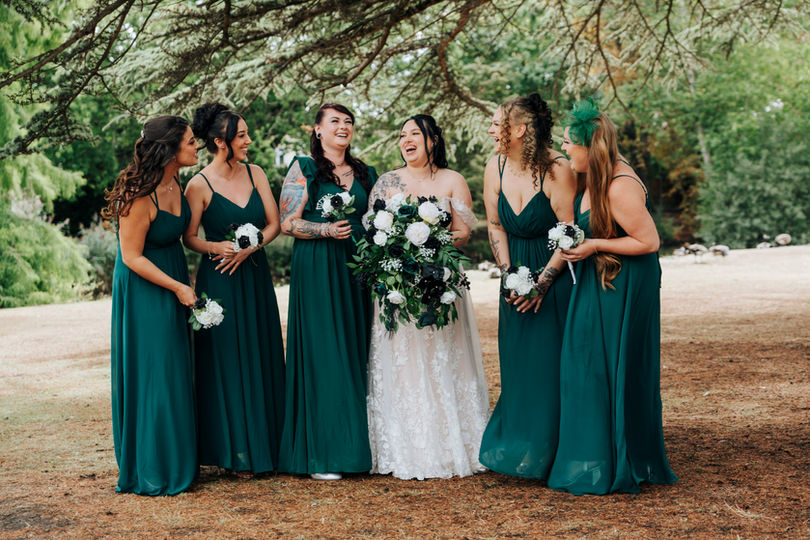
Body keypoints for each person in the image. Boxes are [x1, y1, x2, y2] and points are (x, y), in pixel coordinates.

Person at [548, 97, 677, 494]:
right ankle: (597, 453)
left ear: (591, 146)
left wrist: (593, 245)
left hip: (624, 283)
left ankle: (619, 459)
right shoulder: (594, 177)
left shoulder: (620, 186)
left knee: (613, 365)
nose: (564, 149)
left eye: (569, 142)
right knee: (587, 364)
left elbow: (649, 241)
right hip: (602, 277)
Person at [365, 114, 489, 480]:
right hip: (399, 284)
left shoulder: (453, 180)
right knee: (404, 362)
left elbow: (463, 232)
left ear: (432, 140)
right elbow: (373, 233)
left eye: (414, 134)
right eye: (402, 134)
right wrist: (402, 249)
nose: (406, 140)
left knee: (444, 356)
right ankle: (405, 447)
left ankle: (451, 445)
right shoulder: (387, 181)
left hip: (442, 281)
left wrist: (431, 242)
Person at [183, 103, 285, 477]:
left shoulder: (256, 173)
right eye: (241, 136)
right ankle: (234, 452)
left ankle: (270, 446)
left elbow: (274, 224)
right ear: (220, 142)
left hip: (255, 277)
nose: (248, 141)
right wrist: (217, 247)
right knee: (226, 361)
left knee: (261, 351)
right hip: (219, 281)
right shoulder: (198, 185)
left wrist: (252, 246)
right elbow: (189, 237)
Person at [478, 94, 577, 479]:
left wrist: (542, 284)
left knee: (550, 365)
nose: (491, 129)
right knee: (518, 365)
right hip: (514, 278)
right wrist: (509, 275)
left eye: (497, 123)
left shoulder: (558, 169)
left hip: (554, 277)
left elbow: (569, 232)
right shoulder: (495, 167)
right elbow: (495, 225)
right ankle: (520, 449)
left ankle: (554, 452)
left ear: (519, 130)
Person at [277, 104, 378, 480]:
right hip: (319, 265)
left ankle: (357, 445)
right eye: (334, 121)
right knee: (325, 351)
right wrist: (324, 230)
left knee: (355, 348)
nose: (343, 127)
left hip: (358, 266)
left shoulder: (366, 172)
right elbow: (287, 223)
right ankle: (324, 453)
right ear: (317, 130)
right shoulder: (303, 168)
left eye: (348, 122)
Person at [104, 115, 199, 495]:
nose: (197, 146)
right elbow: (131, 257)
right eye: (190, 141)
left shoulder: (177, 182)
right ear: (170, 150)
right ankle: (152, 466)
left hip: (172, 277)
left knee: (174, 368)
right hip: (145, 287)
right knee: (155, 371)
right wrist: (177, 287)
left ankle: (178, 458)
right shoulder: (138, 195)